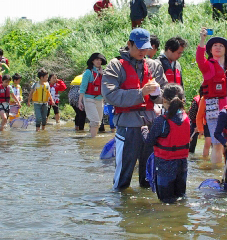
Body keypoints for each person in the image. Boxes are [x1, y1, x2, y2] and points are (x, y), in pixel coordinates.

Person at [101, 28, 168, 191]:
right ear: (129, 44)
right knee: (124, 172)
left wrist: (157, 94)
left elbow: (166, 94)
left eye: (146, 48)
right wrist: (141, 93)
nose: (143, 51)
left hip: (151, 123)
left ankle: (145, 207)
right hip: (127, 124)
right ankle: (120, 204)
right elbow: (110, 94)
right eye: (139, 47)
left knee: (149, 171)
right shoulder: (115, 65)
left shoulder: (154, 65)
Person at [142, 83, 191, 203]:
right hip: (182, 165)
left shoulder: (161, 121)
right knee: (180, 198)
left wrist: (144, 130)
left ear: (164, 100)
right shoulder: (186, 118)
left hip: (165, 165)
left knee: (166, 201)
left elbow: (149, 141)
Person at [196, 28, 227, 164]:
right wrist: (202, 40)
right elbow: (199, 59)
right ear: (210, 50)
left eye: (221, 45)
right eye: (215, 45)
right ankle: (216, 174)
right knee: (217, 144)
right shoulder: (208, 66)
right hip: (213, 109)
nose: (218, 47)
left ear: (226, 50)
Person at [79, 52, 107, 137]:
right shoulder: (88, 72)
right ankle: (93, 141)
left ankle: (91, 136)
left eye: (100, 60)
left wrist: (103, 74)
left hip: (100, 99)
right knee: (95, 121)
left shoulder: (103, 73)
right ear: (92, 61)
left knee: (98, 122)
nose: (99, 62)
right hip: (89, 99)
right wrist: (80, 101)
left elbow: (107, 84)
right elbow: (83, 87)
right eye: (97, 60)